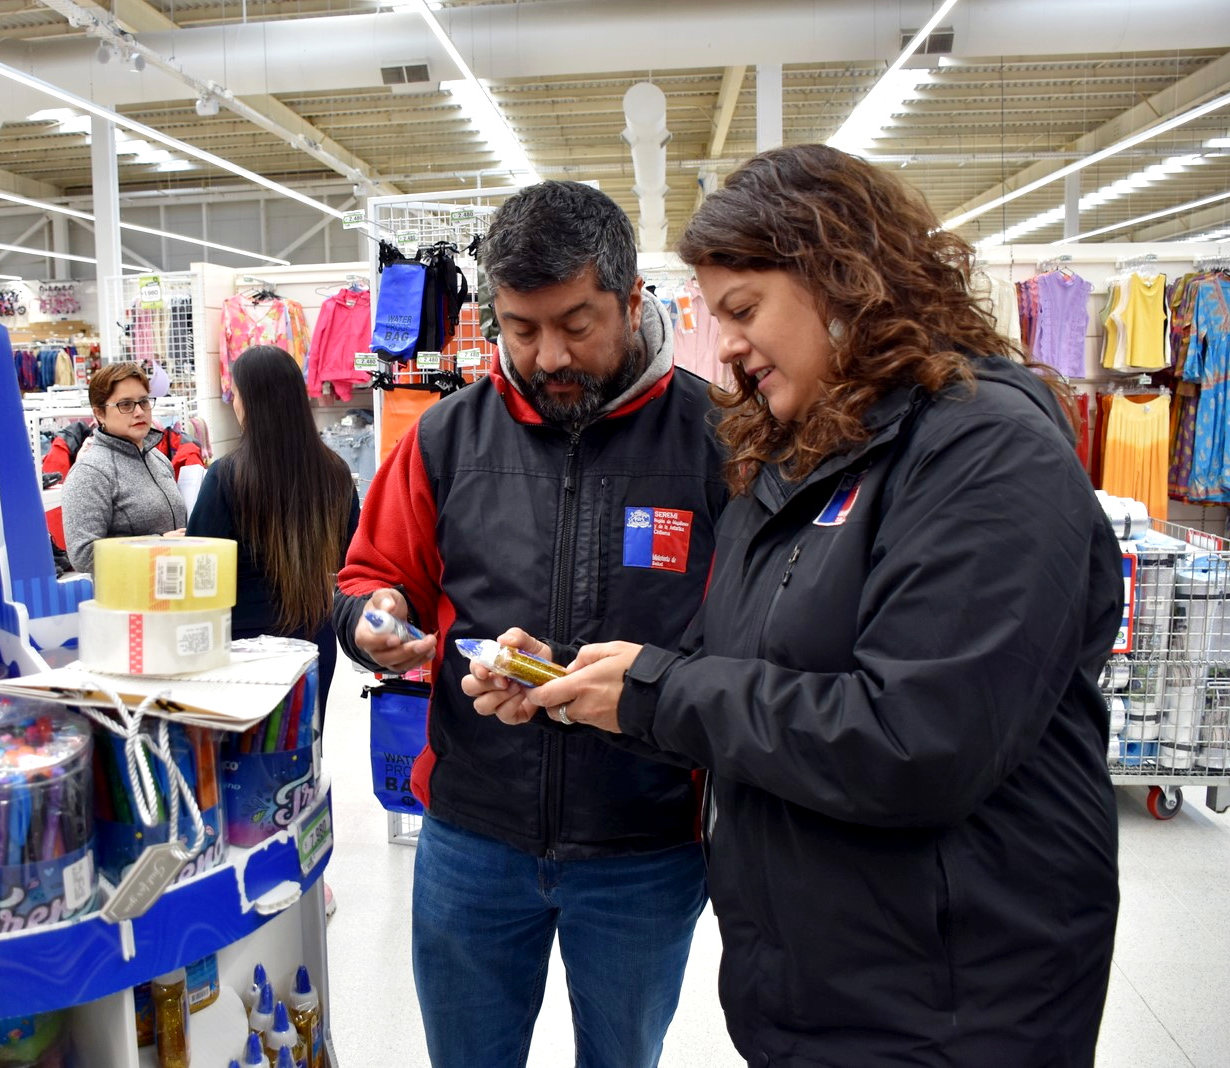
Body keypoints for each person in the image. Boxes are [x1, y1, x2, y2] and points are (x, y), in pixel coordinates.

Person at [511, 144, 1122, 1065]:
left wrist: (658, 692)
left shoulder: (985, 453)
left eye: (744, 310)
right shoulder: (802, 453)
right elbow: (749, 667)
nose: (728, 348)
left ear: (843, 275)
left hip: (951, 1001)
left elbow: (919, 737)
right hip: (819, 981)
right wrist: (588, 681)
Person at [334, 180, 728, 1067]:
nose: (549, 354)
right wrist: (375, 618)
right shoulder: (444, 439)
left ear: (633, 301)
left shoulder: (717, 443)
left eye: (576, 324)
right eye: (521, 328)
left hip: (644, 844)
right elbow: (368, 577)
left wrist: (642, 684)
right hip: (472, 836)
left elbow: (757, 639)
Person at [186, 345, 359, 717]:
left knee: (248, 759)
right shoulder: (336, 474)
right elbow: (351, 559)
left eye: (235, 394)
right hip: (315, 638)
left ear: (250, 402)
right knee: (305, 752)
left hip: (243, 646)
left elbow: (201, 572)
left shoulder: (227, 475)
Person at [60, 361, 189, 573]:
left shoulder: (158, 459)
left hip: (168, 589)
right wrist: (157, 544)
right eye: (126, 405)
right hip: (127, 597)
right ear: (100, 413)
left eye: (144, 401)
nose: (139, 412)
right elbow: (83, 555)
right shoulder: (90, 472)